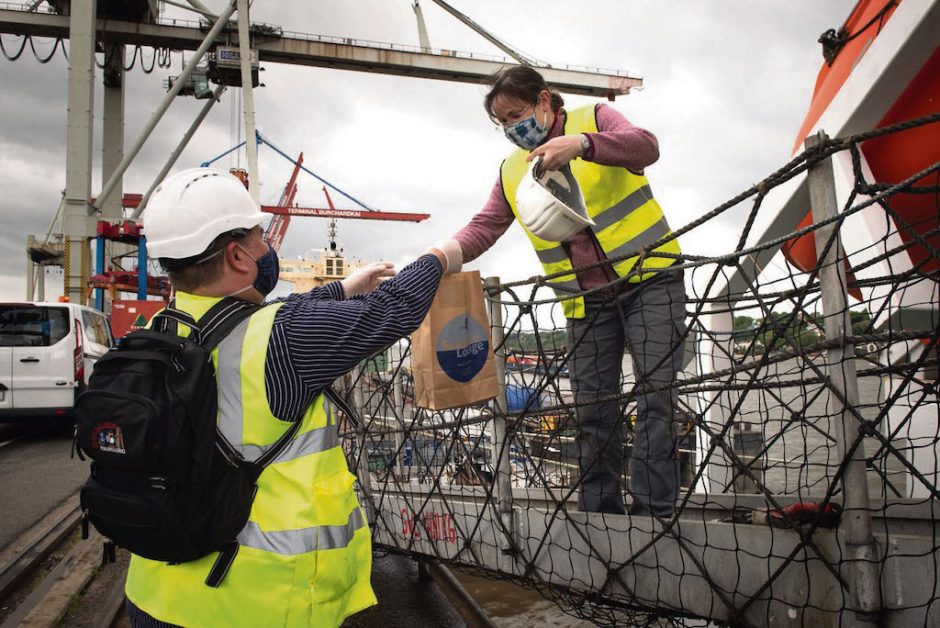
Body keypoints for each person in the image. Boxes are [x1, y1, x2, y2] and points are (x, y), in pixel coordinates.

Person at [125, 167, 462, 627]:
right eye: (261, 239)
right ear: (238, 256)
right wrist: (441, 256)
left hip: (154, 593)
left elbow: (271, 316)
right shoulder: (280, 335)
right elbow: (393, 309)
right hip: (253, 603)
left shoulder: (155, 330)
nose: (269, 251)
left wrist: (342, 288)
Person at [451, 66, 686, 517]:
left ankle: (656, 518)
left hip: (651, 282)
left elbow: (647, 146)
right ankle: (600, 520)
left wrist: (583, 145)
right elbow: (485, 226)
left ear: (544, 101)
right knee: (594, 413)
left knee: (656, 398)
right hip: (585, 305)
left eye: (516, 115)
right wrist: (442, 256)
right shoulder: (512, 171)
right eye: (502, 125)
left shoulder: (594, 119)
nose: (512, 129)